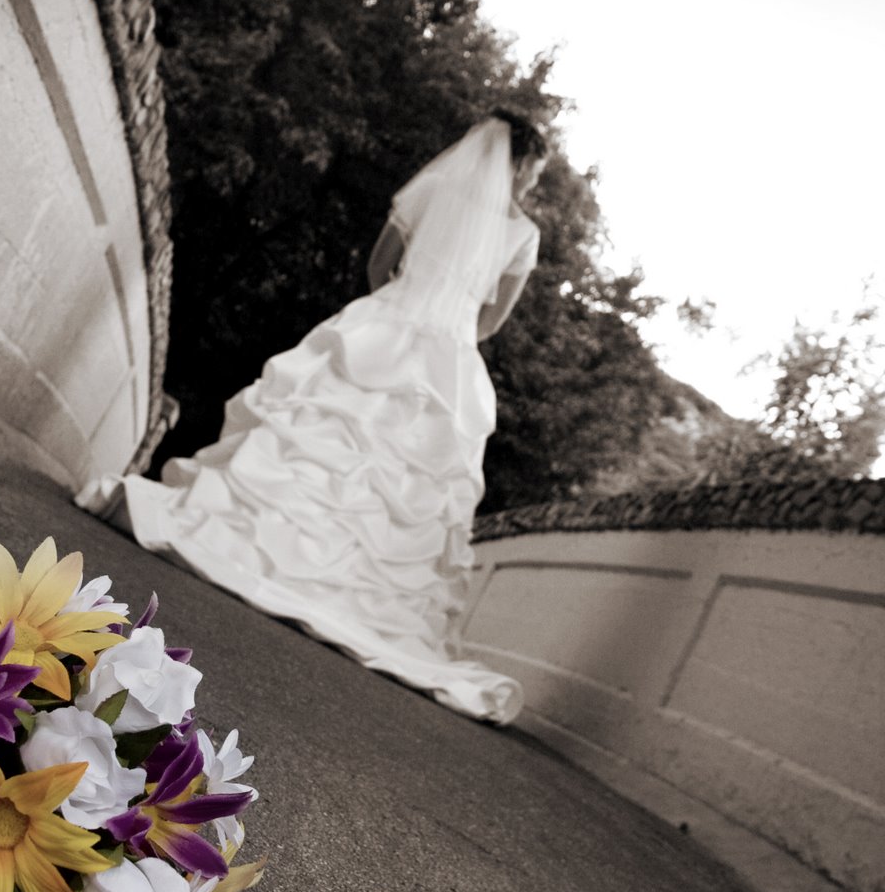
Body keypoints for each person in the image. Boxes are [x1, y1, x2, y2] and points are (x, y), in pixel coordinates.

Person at [78, 110, 546, 724]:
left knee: (316, 437)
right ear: (522, 162)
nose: (535, 181)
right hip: (447, 359)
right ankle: (351, 594)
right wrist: (449, 322)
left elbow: (381, 266)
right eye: (537, 169)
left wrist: (397, 303)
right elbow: (489, 324)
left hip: (381, 323)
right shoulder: (522, 233)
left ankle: (258, 541)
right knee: (400, 482)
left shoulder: (433, 190)